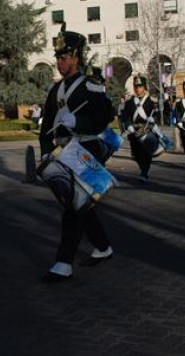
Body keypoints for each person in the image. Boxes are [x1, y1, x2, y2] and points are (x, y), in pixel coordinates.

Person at [39, 27, 116, 282]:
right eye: (58, 58)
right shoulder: (55, 90)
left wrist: (78, 121)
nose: (59, 62)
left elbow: (104, 118)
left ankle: (63, 262)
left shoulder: (91, 86)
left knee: (73, 205)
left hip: (85, 149)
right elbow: (45, 127)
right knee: (79, 204)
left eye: (64, 57)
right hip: (63, 152)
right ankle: (103, 247)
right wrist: (45, 153)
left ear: (76, 58)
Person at [121, 74, 157, 182]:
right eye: (136, 87)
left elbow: (156, 115)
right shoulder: (129, 102)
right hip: (134, 131)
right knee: (136, 153)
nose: (138, 89)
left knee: (146, 152)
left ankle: (144, 172)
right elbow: (125, 116)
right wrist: (128, 125)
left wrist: (153, 120)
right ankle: (143, 169)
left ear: (144, 87)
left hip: (147, 130)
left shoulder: (151, 101)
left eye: (140, 86)